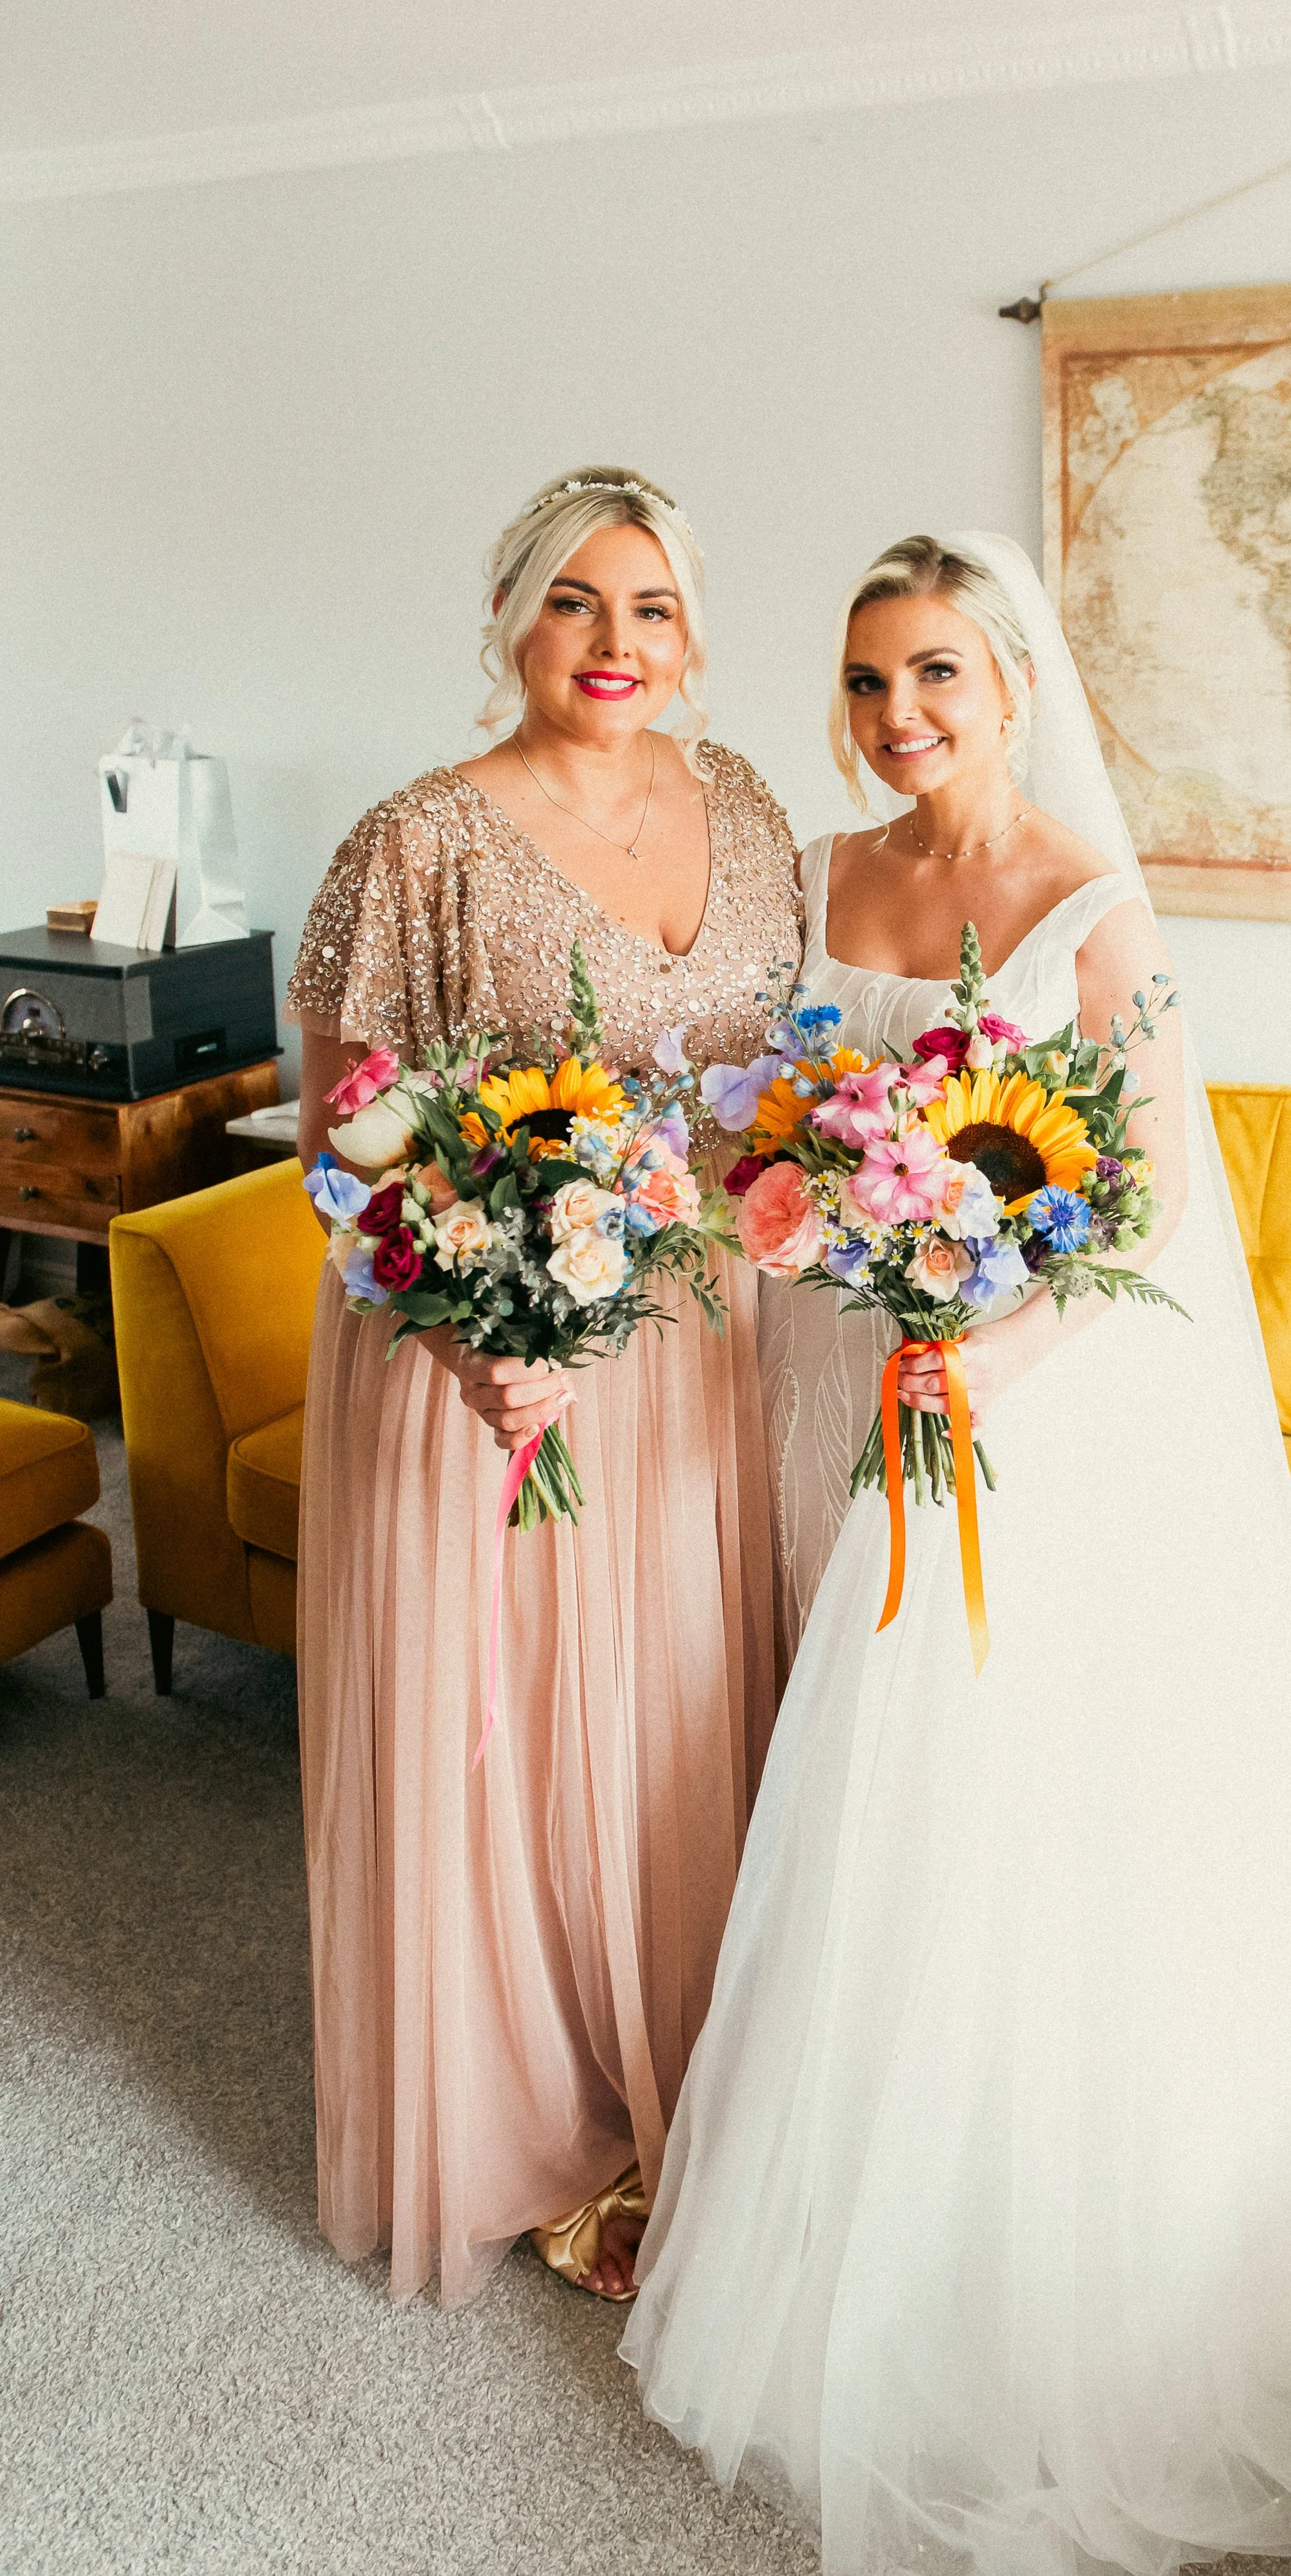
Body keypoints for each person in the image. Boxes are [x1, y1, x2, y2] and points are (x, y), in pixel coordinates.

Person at [622, 533, 1291, 2571]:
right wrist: (784, 1207)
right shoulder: (822, 873)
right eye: (868, 678)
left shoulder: (1097, 907)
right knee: (860, 1771)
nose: (898, 717)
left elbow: (1144, 1205)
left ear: (1008, 683)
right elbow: (771, 1111)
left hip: (1028, 1403)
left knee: (1010, 1785)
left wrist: (981, 1349)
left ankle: (1055, 2257)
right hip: (852, 1363)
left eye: (935, 679)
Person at [287, 467, 799, 2308]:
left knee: (663, 1712)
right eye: (573, 601)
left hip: (688, 1345)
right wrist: (472, 1328)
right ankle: (523, 2120)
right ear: (509, 616)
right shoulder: (416, 839)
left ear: (692, 628)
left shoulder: (746, 807)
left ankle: (682, 2076)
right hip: (481, 1351)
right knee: (509, 1728)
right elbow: (346, 1135)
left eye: (647, 604)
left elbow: (766, 1084)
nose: (612, 643)